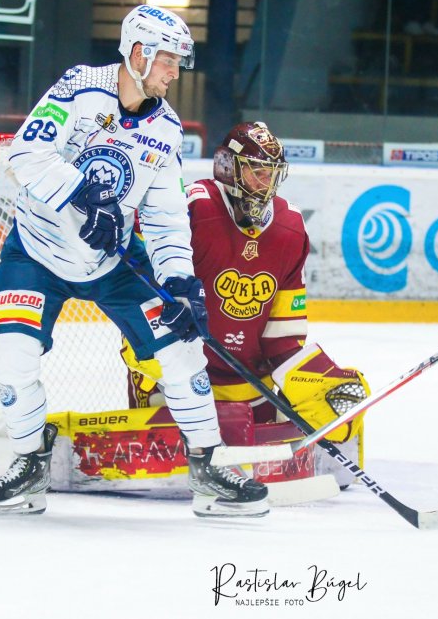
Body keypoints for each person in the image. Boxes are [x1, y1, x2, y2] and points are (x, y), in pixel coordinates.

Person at [0, 4, 269, 518]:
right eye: (168, 60)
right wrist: (87, 195)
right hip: (37, 251)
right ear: (138, 53)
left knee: (182, 350)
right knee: (12, 352)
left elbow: (165, 215)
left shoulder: (167, 129)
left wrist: (180, 282)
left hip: (115, 262)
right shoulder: (78, 88)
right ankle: (30, 461)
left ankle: (208, 465)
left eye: (177, 62)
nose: (175, 73)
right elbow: (25, 154)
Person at [121, 121, 368, 484]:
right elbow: (135, 284)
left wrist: (321, 385)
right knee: (150, 352)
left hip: (249, 388)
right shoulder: (191, 209)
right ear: (227, 167)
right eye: (256, 172)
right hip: (175, 376)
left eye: (271, 174)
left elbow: (283, 338)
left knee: (330, 395)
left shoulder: (290, 229)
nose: (265, 183)